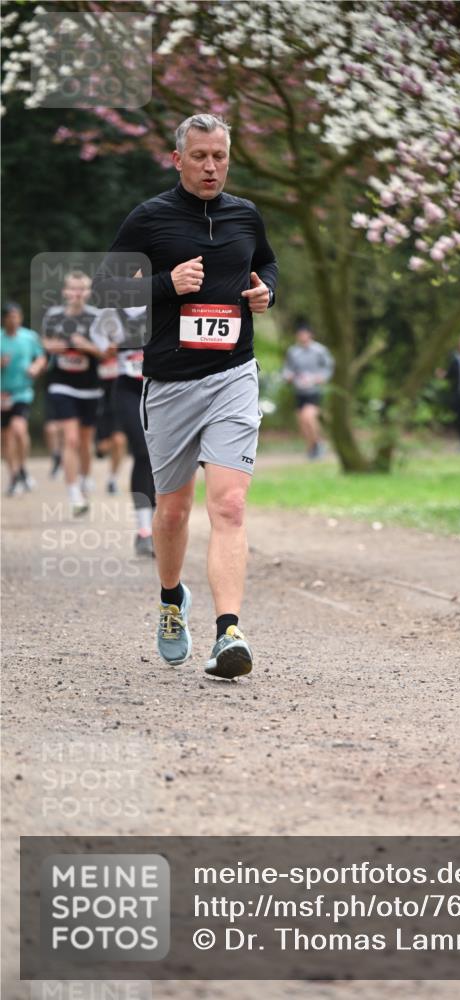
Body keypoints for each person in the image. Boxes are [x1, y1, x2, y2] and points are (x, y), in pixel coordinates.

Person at [93, 113, 278, 679]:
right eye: (199, 156)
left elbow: (264, 261)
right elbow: (105, 287)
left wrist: (268, 288)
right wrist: (163, 285)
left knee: (229, 504)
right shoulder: (151, 218)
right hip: (171, 382)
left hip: (233, 375)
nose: (211, 167)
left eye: (219, 156)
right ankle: (173, 601)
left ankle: (229, 635)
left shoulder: (245, 214)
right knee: (171, 513)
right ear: (178, 159)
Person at [92, 306, 155, 556]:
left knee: (161, 457)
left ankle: (161, 524)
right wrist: (104, 348)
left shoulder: (162, 297)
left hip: (161, 387)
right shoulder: (111, 313)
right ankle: (144, 530)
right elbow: (98, 345)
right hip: (128, 389)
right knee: (142, 452)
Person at [41, 271, 102, 514]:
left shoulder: (97, 318)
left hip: (89, 387)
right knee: (71, 439)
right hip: (61, 385)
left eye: (82, 289)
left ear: (88, 293)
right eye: (73, 289)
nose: (77, 293)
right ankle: (74, 492)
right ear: (65, 292)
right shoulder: (54, 316)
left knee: (86, 442)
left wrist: (85, 345)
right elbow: (46, 344)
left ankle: (85, 477)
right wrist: (68, 344)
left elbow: (106, 350)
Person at [1, 303, 46, 495]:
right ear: (4, 319)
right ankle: (14, 476)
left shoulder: (29, 337)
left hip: (22, 392)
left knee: (19, 430)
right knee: (5, 438)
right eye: (10, 316)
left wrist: (36, 366)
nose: (14, 320)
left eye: (17, 316)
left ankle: (22, 467)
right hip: (2, 393)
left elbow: (42, 357)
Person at [282, 323, 334, 459]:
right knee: (302, 422)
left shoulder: (320, 350)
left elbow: (329, 367)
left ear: (310, 335)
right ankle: (312, 448)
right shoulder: (293, 351)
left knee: (309, 417)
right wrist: (288, 376)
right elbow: (287, 369)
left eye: (305, 334)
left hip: (314, 390)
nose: (302, 336)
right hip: (299, 390)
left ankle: (320, 443)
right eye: (300, 334)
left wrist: (321, 377)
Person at [94, 341, 126, 495]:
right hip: (100, 401)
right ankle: (84, 476)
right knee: (102, 447)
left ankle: (112, 479)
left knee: (119, 440)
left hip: (120, 400)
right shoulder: (95, 345)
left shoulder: (127, 348)